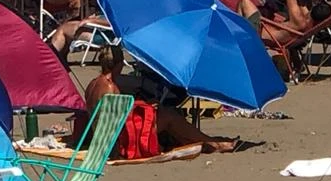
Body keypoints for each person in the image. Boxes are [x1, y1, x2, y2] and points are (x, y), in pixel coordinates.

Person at [77, 46, 237, 154]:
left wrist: (142, 105)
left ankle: (202, 142)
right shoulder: (111, 88)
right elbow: (120, 122)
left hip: (101, 139)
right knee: (169, 117)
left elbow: (109, 116)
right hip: (115, 144)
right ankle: (213, 143)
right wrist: (145, 108)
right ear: (118, 64)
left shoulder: (94, 83)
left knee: (163, 115)